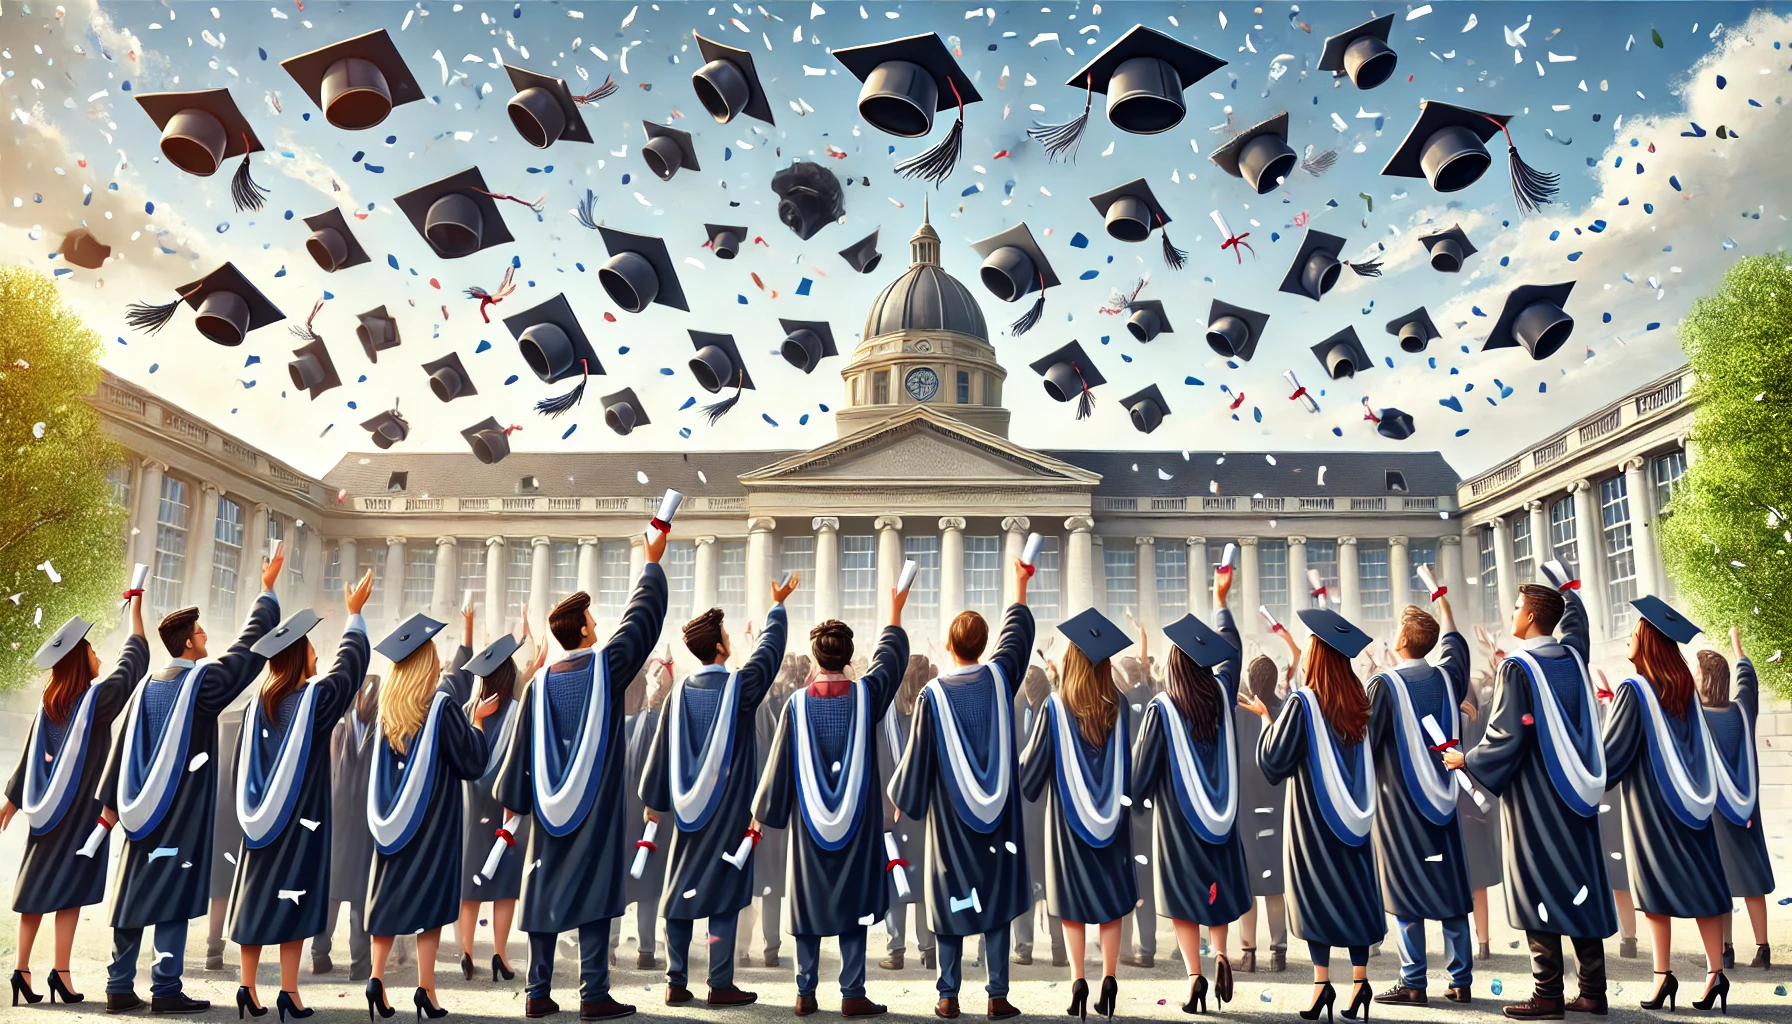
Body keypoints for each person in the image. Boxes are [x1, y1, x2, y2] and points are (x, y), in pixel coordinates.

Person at [94, 543, 285, 1012]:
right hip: (179, 812)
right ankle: (165, 989)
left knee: (135, 890)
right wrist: (266, 591)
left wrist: (110, 809)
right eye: (200, 634)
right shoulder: (200, 685)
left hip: (140, 810)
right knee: (173, 895)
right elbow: (247, 655)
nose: (206, 638)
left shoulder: (145, 687)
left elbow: (123, 750)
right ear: (187, 644)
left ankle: (119, 986)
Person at [496, 525, 668, 1019]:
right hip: (596, 810)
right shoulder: (606, 669)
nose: (598, 624)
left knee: (545, 888)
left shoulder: (537, 685)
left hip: (549, 814)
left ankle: (537, 992)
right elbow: (640, 626)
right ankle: (593, 993)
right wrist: (651, 565)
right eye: (593, 619)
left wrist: (516, 802)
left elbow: (519, 752)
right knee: (593, 890)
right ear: (587, 632)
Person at [1442, 568, 1617, 1019]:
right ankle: (1593, 992)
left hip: (1536, 800)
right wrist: (1567, 587)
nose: (1513, 614)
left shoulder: (1518, 668)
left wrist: (1468, 759)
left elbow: (1505, 737)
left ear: (1534, 614)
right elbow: (1577, 626)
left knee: (1538, 883)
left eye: (1519, 607)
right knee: (1578, 884)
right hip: (1576, 796)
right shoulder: (1573, 656)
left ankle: (1548, 994)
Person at [639, 573, 797, 1007]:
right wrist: (777, 608)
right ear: (722, 648)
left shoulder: (677, 695)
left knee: (681, 887)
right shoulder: (740, 689)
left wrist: (654, 802)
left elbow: (662, 750)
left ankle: (675, 981)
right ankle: (720, 983)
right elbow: (768, 654)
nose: (730, 639)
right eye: (727, 635)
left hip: (686, 810)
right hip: (730, 809)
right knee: (724, 895)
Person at [751, 591, 910, 1017]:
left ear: (815, 657)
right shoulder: (867, 697)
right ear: (848, 655)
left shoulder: (796, 706)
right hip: (857, 826)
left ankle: (805, 992)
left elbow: (779, 762)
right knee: (851, 904)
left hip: (808, 824)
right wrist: (893, 612)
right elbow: (890, 662)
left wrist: (765, 812)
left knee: (810, 902)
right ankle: (852, 992)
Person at [889, 559, 1034, 1021]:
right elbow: (1018, 638)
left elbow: (919, 757)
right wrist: (1020, 582)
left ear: (949, 645)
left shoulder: (932, 696)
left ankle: (948, 995)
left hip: (950, 819)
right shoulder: (1000, 677)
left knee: (952, 896)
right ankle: (996, 995)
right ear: (984, 646)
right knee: (995, 898)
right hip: (999, 818)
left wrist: (901, 795)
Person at [226, 570, 374, 1019]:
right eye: (311, 648)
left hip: (258, 825)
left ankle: (248, 989)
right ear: (297, 658)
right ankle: (288, 992)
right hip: (302, 823)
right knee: (296, 896)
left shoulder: (256, 708)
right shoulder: (315, 702)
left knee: (256, 897)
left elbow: (238, 769)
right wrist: (355, 616)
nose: (317, 654)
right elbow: (350, 669)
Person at [2, 580, 150, 1007]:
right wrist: (136, 613)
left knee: (36, 891)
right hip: (82, 814)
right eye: (91, 650)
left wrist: (11, 803)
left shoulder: (49, 704)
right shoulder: (97, 701)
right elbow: (132, 663)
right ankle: (61, 974)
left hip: (46, 816)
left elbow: (30, 757)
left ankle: (21, 970)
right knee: (70, 893)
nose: (98, 654)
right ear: (79, 662)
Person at [1245, 607, 1384, 1023]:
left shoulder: (1303, 704)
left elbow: (1274, 762)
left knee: (1317, 896)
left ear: (1318, 656)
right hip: (1356, 820)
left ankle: (1322, 985)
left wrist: (1267, 720)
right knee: (1355, 893)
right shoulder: (1360, 702)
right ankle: (1360, 983)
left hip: (1314, 822)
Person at [1600, 597, 1733, 1013]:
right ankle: (1715, 974)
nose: (1629, 637)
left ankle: (1663, 977)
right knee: (1704, 885)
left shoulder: (1633, 689)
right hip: (1693, 804)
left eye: (1635, 632)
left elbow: (1615, 755)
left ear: (1648, 642)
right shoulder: (1685, 688)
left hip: (1653, 808)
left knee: (1655, 890)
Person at [1131, 564, 1250, 1014]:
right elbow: (1232, 653)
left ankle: (1194, 977)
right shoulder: (1221, 694)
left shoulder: (1161, 710)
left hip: (1178, 825)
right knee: (1215, 891)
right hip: (1221, 819)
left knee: (1184, 900)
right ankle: (1221, 953)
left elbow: (1143, 772)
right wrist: (1221, 602)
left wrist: (1137, 800)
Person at [363, 613, 491, 1021]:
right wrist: (478, 723)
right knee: (429, 907)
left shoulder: (387, 710)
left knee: (387, 899)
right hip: (433, 824)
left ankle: (377, 979)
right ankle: (426, 991)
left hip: (391, 823)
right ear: (426, 665)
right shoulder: (440, 707)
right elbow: (471, 761)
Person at [1020, 608, 1137, 1020]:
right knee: (1108, 901)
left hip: (1067, 825)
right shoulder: (1120, 705)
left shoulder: (1055, 707)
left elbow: (1031, 774)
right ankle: (1108, 978)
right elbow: (1129, 768)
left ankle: (1078, 981)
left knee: (1072, 904)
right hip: (1113, 823)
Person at [1365, 596, 1474, 1007]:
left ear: (1404, 639)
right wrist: (1446, 608)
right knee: (1449, 889)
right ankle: (1460, 979)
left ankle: (1413, 980)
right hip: (1446, 804)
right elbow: (1457, 650)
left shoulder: (1384, 685)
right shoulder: (1447, 679)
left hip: (1401, 805)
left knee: (1405, 890)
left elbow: (1367, 745)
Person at [448, 608, 544, 985]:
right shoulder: (520, 712)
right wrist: (530, 632)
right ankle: (500, 956)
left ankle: (467, 952)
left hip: (472, 810)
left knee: (470, 889)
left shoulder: (468, 710)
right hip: (508, 811)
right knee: (504, 889)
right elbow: (537, 665)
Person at [1699, 629, 1773, 971]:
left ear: (1707, 680)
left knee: (1720, 880)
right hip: (1747, 812)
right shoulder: (1743, 711)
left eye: (1698, 674)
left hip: (1715, 811)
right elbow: (1748, 682)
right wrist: (1739, 649)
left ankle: (1725, 949)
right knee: (1750, 879)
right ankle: (1763, 949)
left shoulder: (1698, 719)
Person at [315, 671, 381, 981]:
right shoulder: (380, 731)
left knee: (331, 891)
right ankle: (360, 964)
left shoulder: (337, 728)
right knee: (358, 894)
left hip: (335, 819)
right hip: (364, 823)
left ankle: (319, 953)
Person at [878, 655, 937, 971]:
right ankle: (928, 949)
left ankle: (895, 949)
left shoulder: (882, 718)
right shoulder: (930, 713)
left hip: (890, 812)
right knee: (924, 880)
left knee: (895, 877)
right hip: (923, 811)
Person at [1234, 651, 1289, 975]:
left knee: (1249, 881)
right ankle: (1278, 951)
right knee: (1274, 882)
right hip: (1277, 804)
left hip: (1245, 803)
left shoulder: (1238, 710)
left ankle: (1248, 953)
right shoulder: (1283, 709)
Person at [1010, 663, 1065, 969]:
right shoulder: (1046, 709)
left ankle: (1035, 947)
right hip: (1036, 806)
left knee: (1035, 876)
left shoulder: (1042, 709)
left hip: (1038, 805)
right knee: (1042, 876)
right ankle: (1042, 947)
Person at [623, 653, 674, 970]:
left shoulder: (627, 724)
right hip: (656, 812)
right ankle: (645, 949)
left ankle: (612, 945)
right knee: (650, 882)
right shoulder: (668, 727)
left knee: (620, 878)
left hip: (625, 811)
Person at [1115, 616, 1159, 972]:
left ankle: (1126, 946)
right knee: (1144, 875)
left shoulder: (1116, 705)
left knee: (1122, 871)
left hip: (1122, 799)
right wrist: (1141, 635)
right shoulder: (1151, 697)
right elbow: (1145, 670)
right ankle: (1147, 947)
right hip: (1148, 801)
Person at [1457, 631, 1502, 963]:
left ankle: (1464, 944)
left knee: (1458, 877)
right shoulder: (1486, 715)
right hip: (1481, 801)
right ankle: (1483, 942)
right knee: (1479, 881)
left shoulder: (1449, 717)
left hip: (1456, 803)